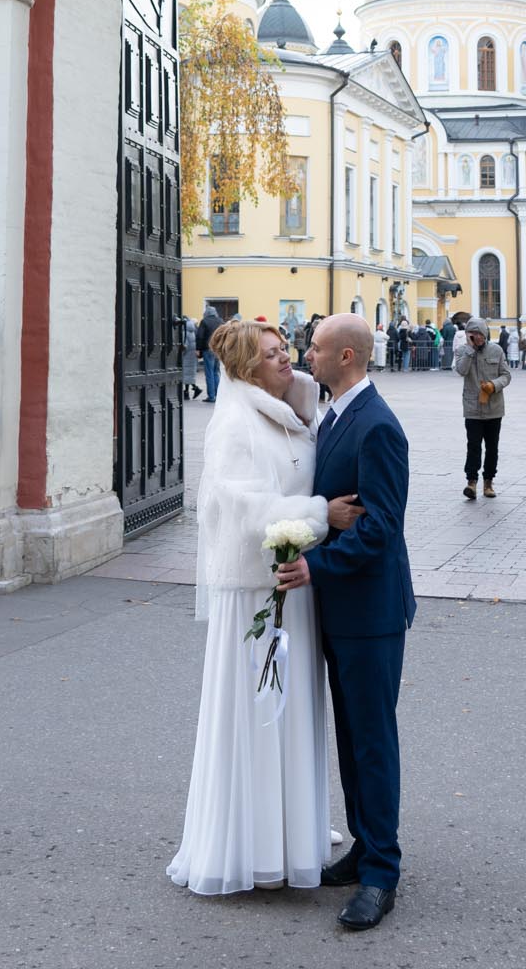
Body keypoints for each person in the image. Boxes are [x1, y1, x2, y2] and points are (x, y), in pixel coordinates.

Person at [169, 319, 363, 897]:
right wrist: (320, 514)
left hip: (292, 584)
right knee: (259, 711)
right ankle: (252, 840)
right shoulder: (235, 424)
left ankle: (292, 824)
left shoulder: (286, 410)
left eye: (286, 351)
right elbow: (248, 509)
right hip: (258, 591)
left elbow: (304, 408)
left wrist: (295, 385)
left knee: (292, 707)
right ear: (246, 369)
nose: (287, 359)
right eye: (274, 354)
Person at [277, 312, 415, 933]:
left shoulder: (378, 426)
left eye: (316, 348)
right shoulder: (335, 414)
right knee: (352, 737)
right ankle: (364, 846)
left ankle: (382, 871)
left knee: (372, 741)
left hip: (370, 611)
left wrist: (316, 565)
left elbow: (381, 528)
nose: (307, 355)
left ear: (347, 357)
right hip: (342, 610)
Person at [454, 316, 511, 499]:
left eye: (479, 333)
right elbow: (461, 370)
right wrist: (470, 350)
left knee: (492, 447)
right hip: (472, 408)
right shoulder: (462, 351)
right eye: (472, 333)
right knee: (473, 446)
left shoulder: (496, 350)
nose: (476, 337)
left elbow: (506, 375)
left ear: (485, 334)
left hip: (494, 408)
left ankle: (488, 482)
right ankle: (471, 482)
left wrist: (494, 385)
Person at [196, 305, 221, 402]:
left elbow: (200, 336)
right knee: (216, 372)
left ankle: (211, 396)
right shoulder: (220, 321)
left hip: (208, 349)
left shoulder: (204, 321)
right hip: (218, 350)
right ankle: (218, 395)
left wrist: (198, 349)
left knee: (209, 373)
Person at [180, 312, 199, 399]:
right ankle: (188, 391)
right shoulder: (192, 331)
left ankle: (194, 390)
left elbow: (185, 346)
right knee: (188, 375)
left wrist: (180, 353)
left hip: (186, 356)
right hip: (192, 355)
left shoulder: (184, 332)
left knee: (186, 374)